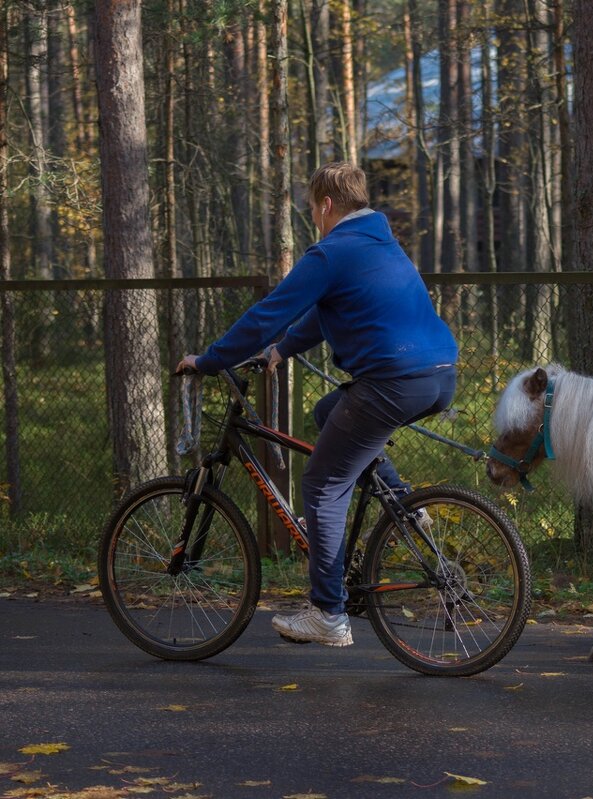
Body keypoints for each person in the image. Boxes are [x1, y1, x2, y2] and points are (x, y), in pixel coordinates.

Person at [177, 162, 458, 647]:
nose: (314, 218)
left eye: (313, 209)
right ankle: (403, 505)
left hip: (390, 382)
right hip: (438, 376)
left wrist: (210, 360)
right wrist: (282, 350)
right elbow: (325, 308)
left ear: (326, 205)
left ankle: (328, 612)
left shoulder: (331, 252)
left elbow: (270, 312)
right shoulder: (382, 243)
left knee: (324, 487)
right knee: (330, 413)